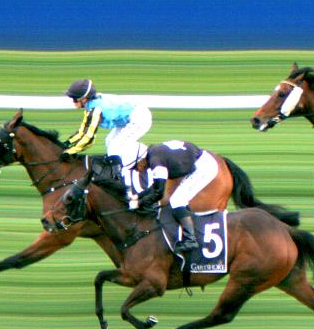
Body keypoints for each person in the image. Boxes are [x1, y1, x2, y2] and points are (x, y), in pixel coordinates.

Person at [66, 80, 210, 264]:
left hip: (139, 117)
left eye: (74, 99)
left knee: (117, 145)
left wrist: (69, 151)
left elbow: (88, 137)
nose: (72, 102)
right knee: (110, 142)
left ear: (84, 98)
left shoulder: (96, 109)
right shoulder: (91, 107)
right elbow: (82, 131)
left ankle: (118, 177)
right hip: (132, 117)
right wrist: (67, 145)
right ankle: (119, 169)